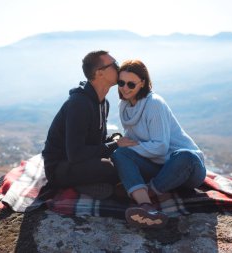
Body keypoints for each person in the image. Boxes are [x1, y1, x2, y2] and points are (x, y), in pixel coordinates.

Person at [111, 59, 207, 228]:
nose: (125, 88)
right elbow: (133, 139)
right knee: (119, 153)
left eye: (131, 84)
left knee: (185, 155)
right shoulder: (124, 105)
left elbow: (160, 147)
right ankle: (147, 208)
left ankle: (142, 193)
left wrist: (131, 146)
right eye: (121, 82)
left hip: (186, 169)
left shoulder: (154, 104)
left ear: (142, 83)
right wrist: (123, 145)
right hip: (158, 168)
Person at [42, 50, 128, 199]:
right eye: (114, 64)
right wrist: (115, 145)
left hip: (79, 162)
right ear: (99, 73)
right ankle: (84, 186)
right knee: (110, 167)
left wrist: (114, 141)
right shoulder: (79, 104)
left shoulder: (103, 103)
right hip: (60, 167)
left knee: (124, 158)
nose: (119, 68)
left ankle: (97, 185)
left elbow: (95, 143)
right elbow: (75, 154)